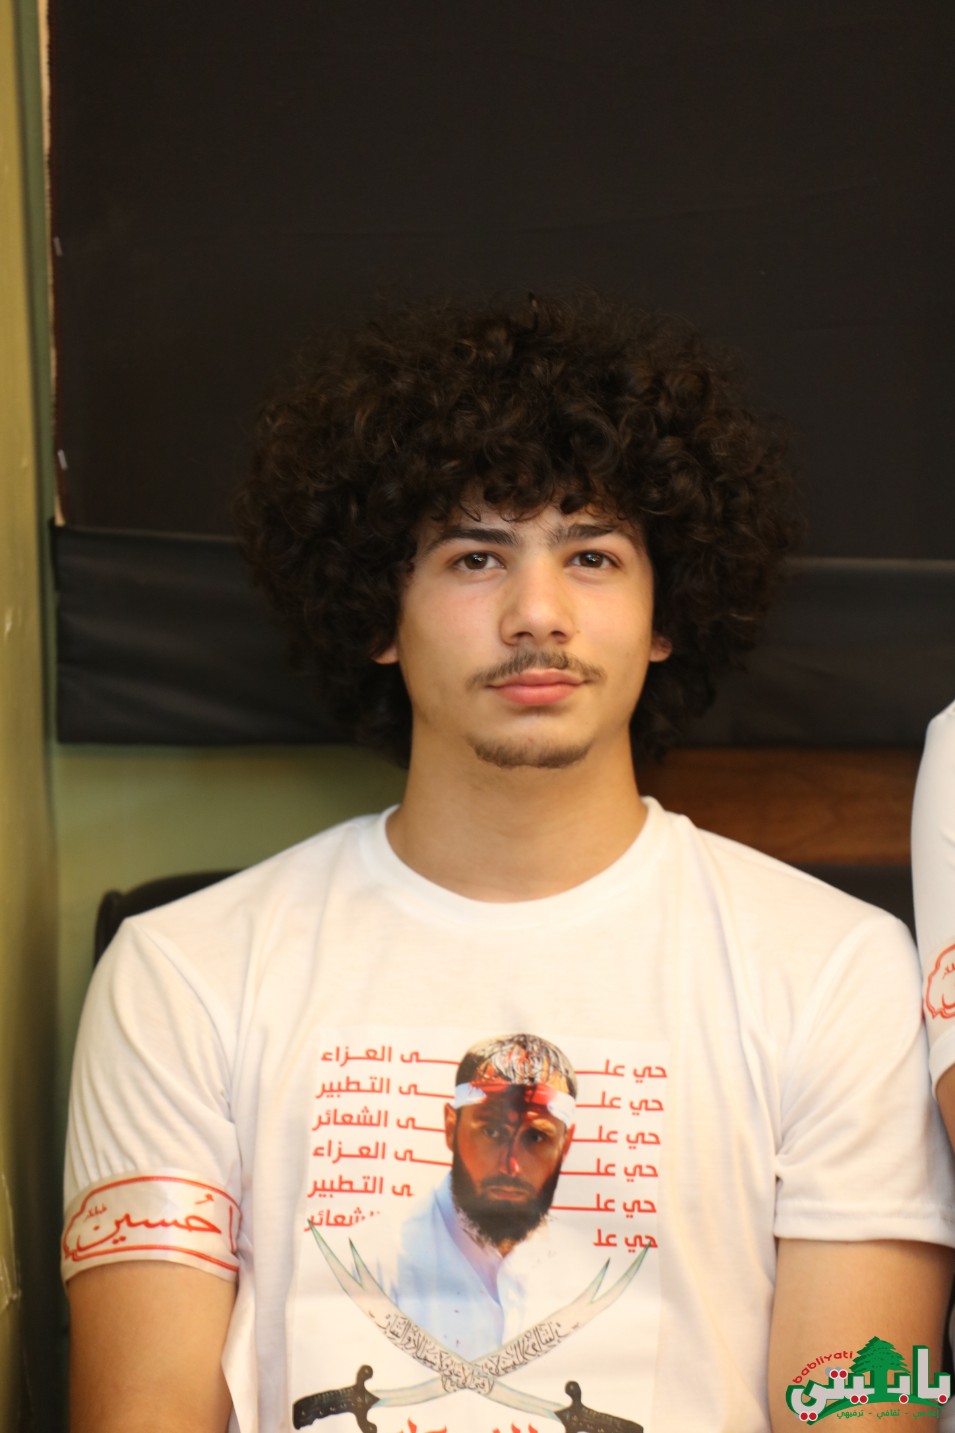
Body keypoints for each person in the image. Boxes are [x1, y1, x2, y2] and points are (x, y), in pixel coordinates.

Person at [64, 292, 955, 1433]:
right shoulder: (181, 974)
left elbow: (858, 1407)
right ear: (378, 613)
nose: (538, 613)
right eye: (475, 556)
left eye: (592, 555)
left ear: (664, 613)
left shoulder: (834, 971)